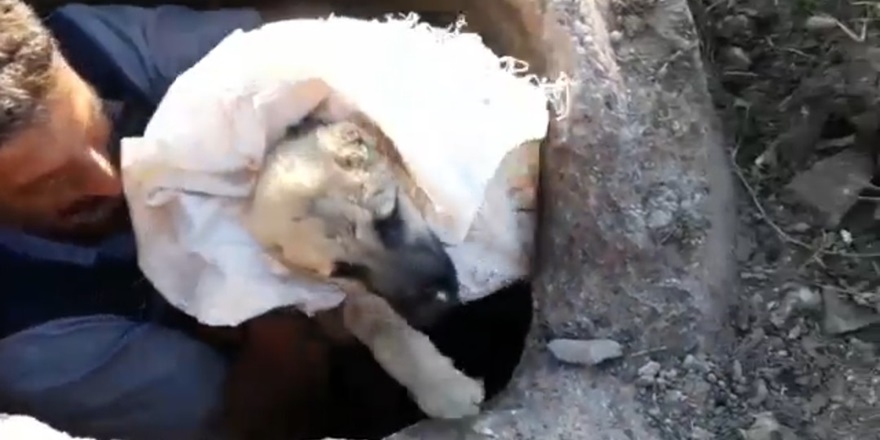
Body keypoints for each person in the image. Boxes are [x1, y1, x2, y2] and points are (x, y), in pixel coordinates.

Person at [0, 1, 314, 438]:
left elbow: (308, 62)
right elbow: (246, 407)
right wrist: (281, 321)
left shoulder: (97, 46)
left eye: (95, 123)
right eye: (49, 181)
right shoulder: (27, 339)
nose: (110, 181)